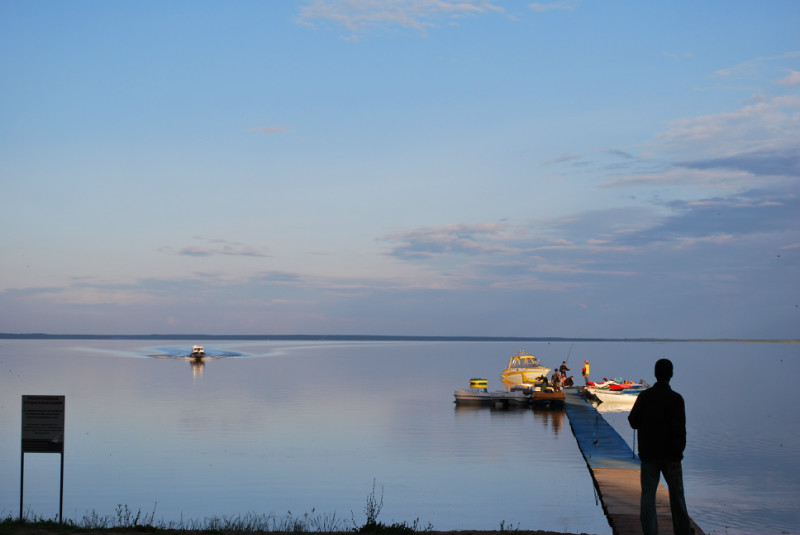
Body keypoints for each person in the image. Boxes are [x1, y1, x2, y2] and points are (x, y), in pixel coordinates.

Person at [628, 359, 694, 535]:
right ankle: (683, 531)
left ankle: (650, 532)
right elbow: (681, 430)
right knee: (677, 497)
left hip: (649, 454)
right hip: (671, 455)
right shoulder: (676, 399)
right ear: (671, 375)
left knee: (648, 496)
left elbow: (633, 421)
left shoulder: (645, 397)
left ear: (655, 374)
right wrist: (679, 452)